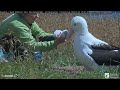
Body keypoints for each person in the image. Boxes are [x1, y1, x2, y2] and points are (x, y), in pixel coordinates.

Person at [0, 12, 67, 61]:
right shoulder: (17, 25)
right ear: (25, 13)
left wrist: (55, 36)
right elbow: (33, 46)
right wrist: (56, 42)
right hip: (4, 51)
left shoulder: (25, 18)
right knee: (28, 55)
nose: (37, 16)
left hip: (12, 45)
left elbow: (41, 34)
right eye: (34, 13)